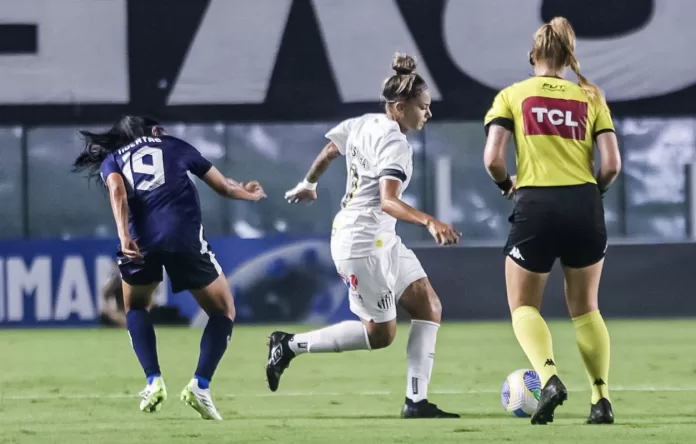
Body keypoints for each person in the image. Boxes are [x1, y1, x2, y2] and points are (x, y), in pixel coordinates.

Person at [266, 54, 461, 419]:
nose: (428, 114)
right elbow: (389, 201)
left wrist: (309, 183)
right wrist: (430, 221)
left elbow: (328, 151)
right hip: (361, 243)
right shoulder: (396, 145)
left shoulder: (362, 123)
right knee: (380, 335)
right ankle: (289, 344)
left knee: (428, 306)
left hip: (381, 238)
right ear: (400, 108)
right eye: (423, 107)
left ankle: (415, 402)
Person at [72, 116, 266, 420]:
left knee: (135, 307)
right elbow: (222, 186)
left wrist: (124, 236)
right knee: (223, 311)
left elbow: (117, 191)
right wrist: (248, 193)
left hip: (140, 241)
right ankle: (200, 386)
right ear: (151, 131)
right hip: (183, 237)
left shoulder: (113, 159)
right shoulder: (174, 145)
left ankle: (153, 381)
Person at [483, 17, 622, 425]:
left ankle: (549, 378)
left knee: (523, 306)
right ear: (568, 58)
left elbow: (492, 159)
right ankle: (601, 400)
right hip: (584, 203)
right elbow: (611, 165)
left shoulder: (512, 95)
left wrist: (507, 184)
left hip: (536, 205)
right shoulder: (591, 97)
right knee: (586, 309)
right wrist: (592, 195)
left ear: (533, 56)